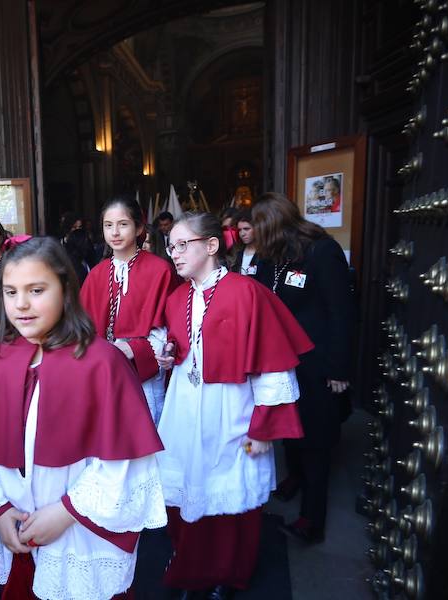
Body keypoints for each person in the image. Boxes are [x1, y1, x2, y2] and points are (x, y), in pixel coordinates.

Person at [0, 237, 167, 600]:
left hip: (79, 533)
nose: (21, 304)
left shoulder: (101, 362)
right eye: (11, 292)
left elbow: (124, 462)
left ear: (65, 289)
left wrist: (65, 512)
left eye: (36, 290)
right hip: (16, 528)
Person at [154, 212, 313, 598]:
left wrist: (263, 430)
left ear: (211, 246)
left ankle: (228, 573)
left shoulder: (247, 293)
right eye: (170, 246)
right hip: (186, 408)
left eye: (181, 244)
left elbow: (273, 368)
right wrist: (167, 355)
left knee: (230, 497)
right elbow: (180, 346)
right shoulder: (177, 297)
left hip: (232, 410)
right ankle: (192, 566)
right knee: (189, 489)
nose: (173, 253)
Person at [250, 192, 356, 544]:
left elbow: (342, 313)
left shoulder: (322, 252)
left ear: (277, 228)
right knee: (288, 426)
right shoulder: (271, 260)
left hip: (318, 362)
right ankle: (294, 478)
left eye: (261, 231)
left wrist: (339, 369)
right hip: (282, 363)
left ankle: (313, 519)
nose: (255, 239)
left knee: (316, 439)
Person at [80, 196, 177, 424]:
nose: (115, 232)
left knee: (146, 429)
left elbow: (173, 326)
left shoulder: (160, 269)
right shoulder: (96, 274)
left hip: (144, 369)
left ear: (139, 228)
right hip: (104, 369)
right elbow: (82, 327)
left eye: (123, 224)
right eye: (108, 225)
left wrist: (134, 348)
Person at [230, 209, 259, 276]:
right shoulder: (237, 252)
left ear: (257, 228)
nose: (242, 233)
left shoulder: (265, 253)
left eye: (246, 229)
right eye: (239, 230)